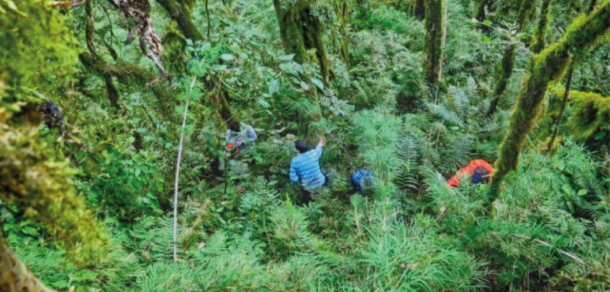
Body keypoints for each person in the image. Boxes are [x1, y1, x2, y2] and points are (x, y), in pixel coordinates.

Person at [290, 139, 328, 204]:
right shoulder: (313, 153)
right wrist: (319, 145)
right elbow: (318, 151)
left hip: (308, 189)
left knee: (306, 203)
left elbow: (294, 179)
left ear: (297, 150)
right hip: (321, 183)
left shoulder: (295, 161)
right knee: (326, 175)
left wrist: (300, 179)